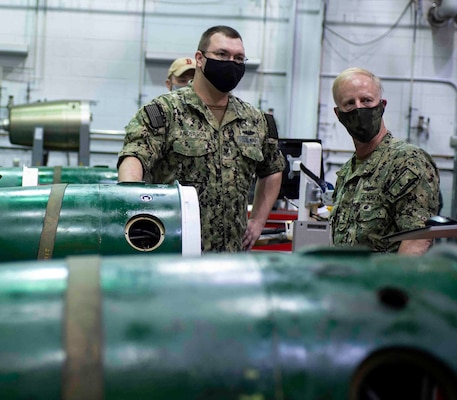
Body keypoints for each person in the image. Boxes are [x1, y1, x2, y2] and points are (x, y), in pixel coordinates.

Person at [117, 25, 285, 253]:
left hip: (231, 257)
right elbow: (134, 158)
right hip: (174, 253)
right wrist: (135, 216)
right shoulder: (165, 112)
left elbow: (273, 168)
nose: (231, 63)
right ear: (200, 58)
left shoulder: (255, 120)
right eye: (222, 54)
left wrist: (257, 221)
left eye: (239, 58)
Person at [330, 67, 440, 255]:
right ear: (338, 114)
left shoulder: (407, 161)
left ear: (382, 105)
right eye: (349, 103)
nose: (359, 108)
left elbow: (417, 241)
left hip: (385, 282)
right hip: (349, 282)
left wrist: (391, 285)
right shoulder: (348, 171)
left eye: (366, 100)